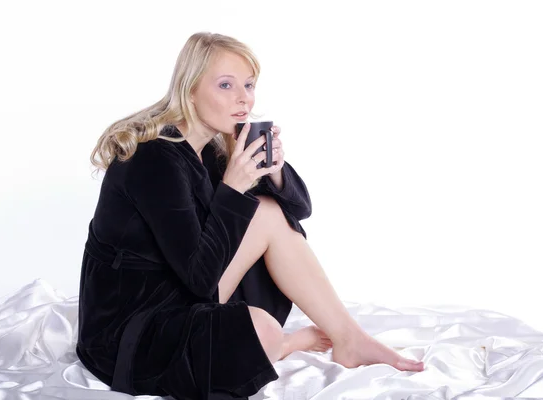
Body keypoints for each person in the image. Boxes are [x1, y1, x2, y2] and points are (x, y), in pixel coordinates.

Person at [75, 31, 424, 399]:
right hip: (131, 335)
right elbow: (199, 280)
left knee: (270, 210)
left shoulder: (208, 147)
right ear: (190, 90)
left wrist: (273, 170)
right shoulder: (154, 158)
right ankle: (285, 345)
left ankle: (349, 339)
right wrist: (233, 189)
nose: (243, 98)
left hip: (179, 294)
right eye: (226, 85)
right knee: (264, 331)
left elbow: (298, 211)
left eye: (249, 85)